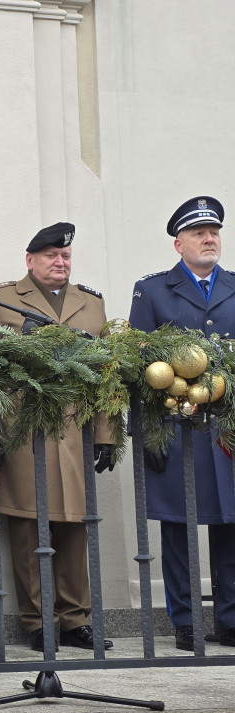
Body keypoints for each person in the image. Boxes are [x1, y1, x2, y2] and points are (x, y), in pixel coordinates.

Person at [0, 222, 115, 652]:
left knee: (76, 527)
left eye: (66, 256)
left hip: (76, 430)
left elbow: (107, 371)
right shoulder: (1, 300)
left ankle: (75, 620)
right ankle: (39, 623)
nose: (61, 263)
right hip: (22, 429)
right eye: (52, 256)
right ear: (30, 260)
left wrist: (108, 431)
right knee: (28, 528)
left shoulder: (91, 304)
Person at [129, 196, 235, 651]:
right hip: (175, 426)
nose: (208, 238)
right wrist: (144, 430)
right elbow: (138, 366)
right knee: (177, 527)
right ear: (179, 244)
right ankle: (187, 621)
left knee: (231, 525)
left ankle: (230, 620)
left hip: (227, 429)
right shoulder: (152, 290)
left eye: (213, 231)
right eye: (198, 233)